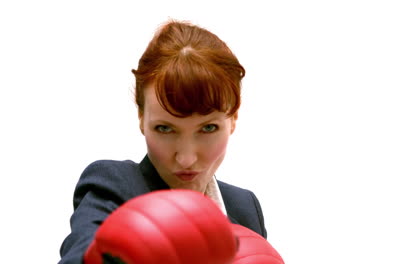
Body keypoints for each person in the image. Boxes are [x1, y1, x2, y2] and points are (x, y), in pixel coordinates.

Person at [59, 20, 267, 264]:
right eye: (165, 128)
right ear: (141, 118)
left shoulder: (245, 208)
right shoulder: (113, 185)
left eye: (208, 128)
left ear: (233, 119)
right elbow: (81, 252)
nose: (186, 158)